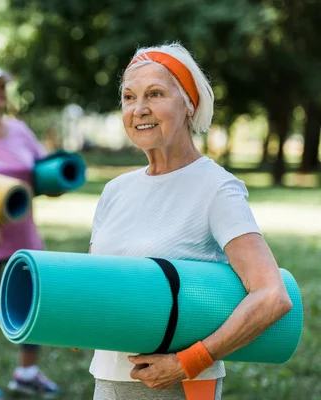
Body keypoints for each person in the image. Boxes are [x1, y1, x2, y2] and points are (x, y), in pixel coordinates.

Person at [89, 43, 293, 400]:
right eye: (128, 96)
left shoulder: (216, 187)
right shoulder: (115, 191)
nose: (140, 109)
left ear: (188, 103)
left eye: (155, 94)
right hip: (109, 379)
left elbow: (272, 295)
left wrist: (189, 362)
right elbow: (99, 287)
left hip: (182, 384)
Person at [0, 64, 61, 399]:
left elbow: (40, 171)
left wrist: (57, 179)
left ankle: (27, 371)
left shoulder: (19, 130)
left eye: (2, 87)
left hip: (23, 236)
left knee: (33, 301)